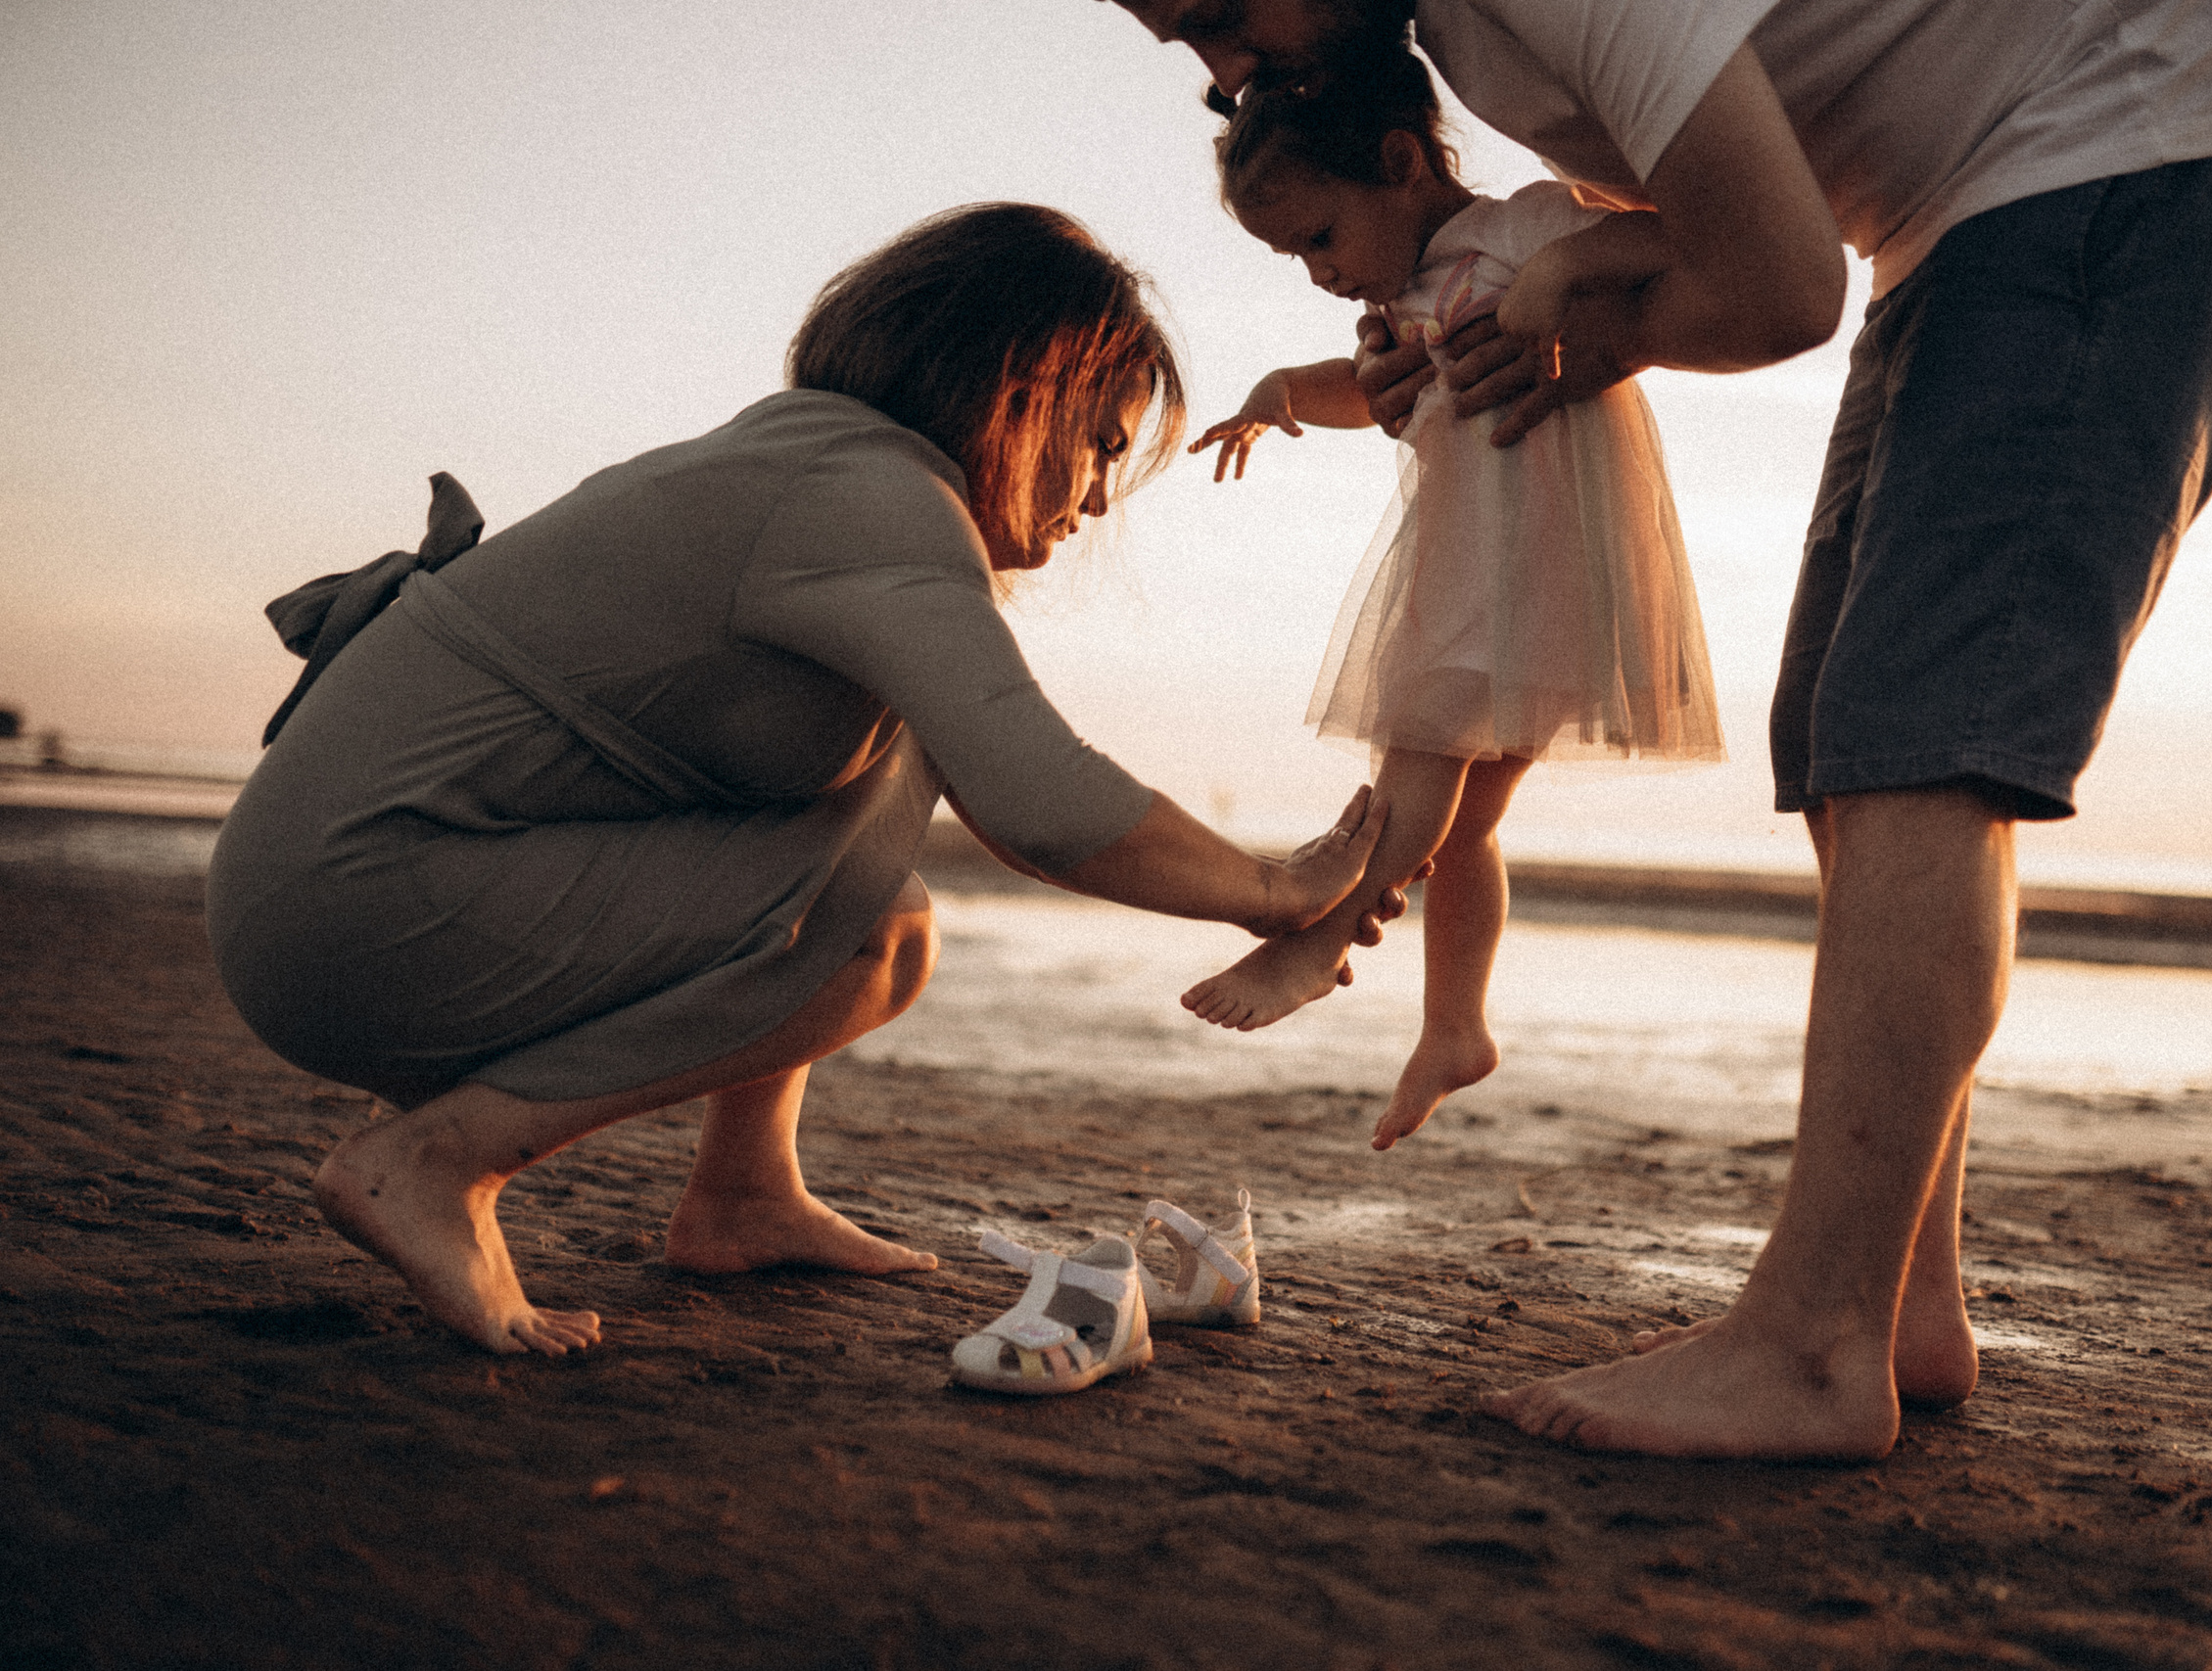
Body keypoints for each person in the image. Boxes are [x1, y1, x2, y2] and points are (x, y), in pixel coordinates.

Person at [1116, 0, 2212, 1459]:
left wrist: (1558, 312)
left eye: (1217, 13)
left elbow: (1770, 285)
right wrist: (1516, 340)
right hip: (1952, 220)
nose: (1226, 73)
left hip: (2109, 141)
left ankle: (1816, 1339)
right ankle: (1894, 1301)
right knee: (1840, 741)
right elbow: (1716, 227)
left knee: (1922, 737)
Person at [208, 203, 1402, 1358]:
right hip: (356, 916)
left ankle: (742, 1194)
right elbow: (1044, 805)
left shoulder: (814, 464)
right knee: (877, 935)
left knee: (877, 838)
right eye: (1098, 446)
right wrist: (1274, 890)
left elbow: (986, 792)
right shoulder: (874, 502)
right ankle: (435, 1159)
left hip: (325, 895)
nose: (1095, 500)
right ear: (1023, 390)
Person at [1177, 52, 1722, 1155]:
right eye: (1294, 257)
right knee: (1464, 823)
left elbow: (1686, 234)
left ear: (1399, 161)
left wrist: (1560, 272)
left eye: (1319, 237)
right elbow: (1363, 388)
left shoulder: (1528, 226)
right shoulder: (1403, 303)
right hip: (1474, 578)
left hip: (1540, 568)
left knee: (1413, 768)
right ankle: (1455, 1026)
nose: (1318, 273)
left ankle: (1317, 939)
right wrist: (1279, 394)